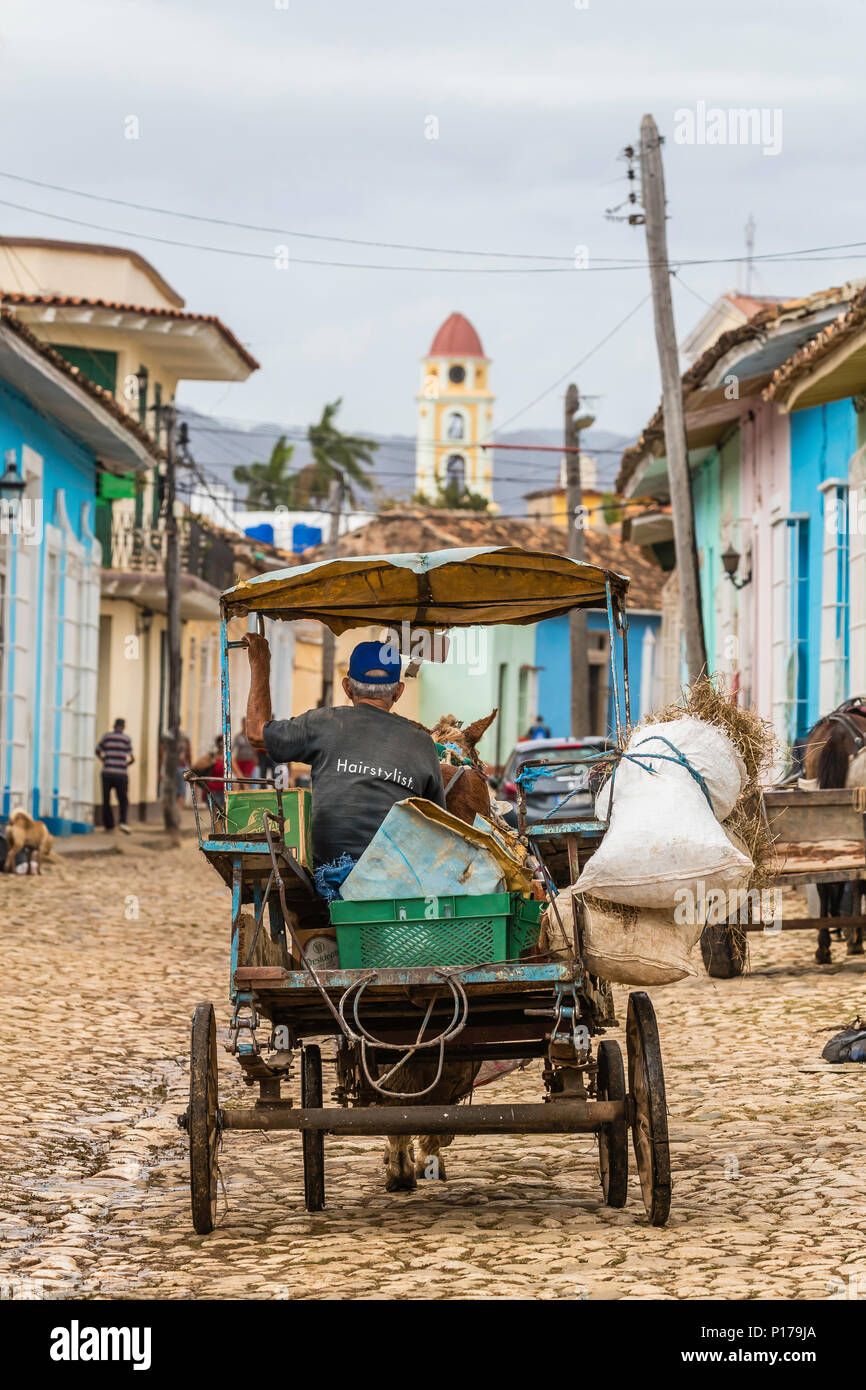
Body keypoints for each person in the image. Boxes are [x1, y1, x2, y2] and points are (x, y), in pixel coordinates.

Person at [244, 635, 446, 866]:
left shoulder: (324, 722)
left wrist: (260, 662)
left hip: (326, 869)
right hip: (393, 875)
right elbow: (437, 824)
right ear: (398, 692)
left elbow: (256, 733)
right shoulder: (422, 743)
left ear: (347, 687)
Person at [96, 718, 134, 834]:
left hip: (107, 773)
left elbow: (97, 750)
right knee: (123, 799)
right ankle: (122, 822)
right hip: (121, 774)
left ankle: (109, 826)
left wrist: (104, 760)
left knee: (106, 800)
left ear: (114, 726)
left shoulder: (107, 737)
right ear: (123, 727)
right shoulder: (126, 739)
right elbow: (132, 758)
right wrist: (125, 764)